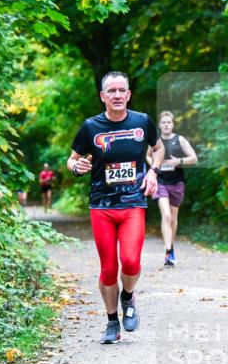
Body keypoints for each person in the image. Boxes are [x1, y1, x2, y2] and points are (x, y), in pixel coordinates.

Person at [67, 72, 165, 344]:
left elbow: (158, 149)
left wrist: (153, 173)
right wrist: (77, 166)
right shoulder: (90, 127)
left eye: (122, 90)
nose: (118, 95)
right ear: (103, 96)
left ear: (129, 94)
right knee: (109, 268)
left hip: (133, 202)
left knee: (131, 261)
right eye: (112, 91)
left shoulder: (142, 121)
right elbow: (71, 159)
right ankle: (112, 322)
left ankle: (128, 296)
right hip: (102, 205)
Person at [149, 111, 198, 266]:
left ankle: (171, 247)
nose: (166, 125)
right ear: (159, 125)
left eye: (169, 122)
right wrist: (154, 165)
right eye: (163, 122)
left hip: (177, 182)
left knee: (174, 219)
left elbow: (194, 158)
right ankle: (168, 251)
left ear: (173, 124)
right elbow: (148, 155)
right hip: (161, 181)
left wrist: (179, 161)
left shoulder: (180, 140)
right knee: (167, 216)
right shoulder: (156, 141)